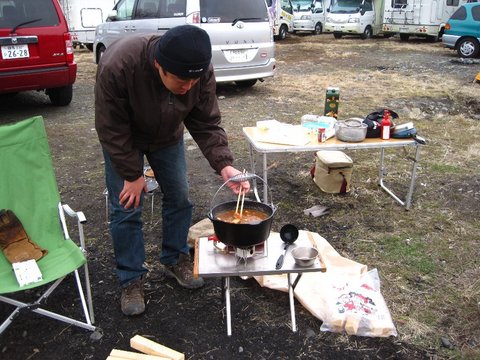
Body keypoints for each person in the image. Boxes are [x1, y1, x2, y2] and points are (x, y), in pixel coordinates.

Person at [95, 25, 249, 316]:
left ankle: (174, 257)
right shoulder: (119, 65)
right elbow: (110, 127)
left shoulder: (198, 71)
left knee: (179, 196)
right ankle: (131, 278)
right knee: (127, 205)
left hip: (167, 136)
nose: (188, 87)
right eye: (181, 80)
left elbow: (206, 122)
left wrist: (224, 163)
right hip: (124, 138)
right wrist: (132, 174)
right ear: (158, 65)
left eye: (194, 81)